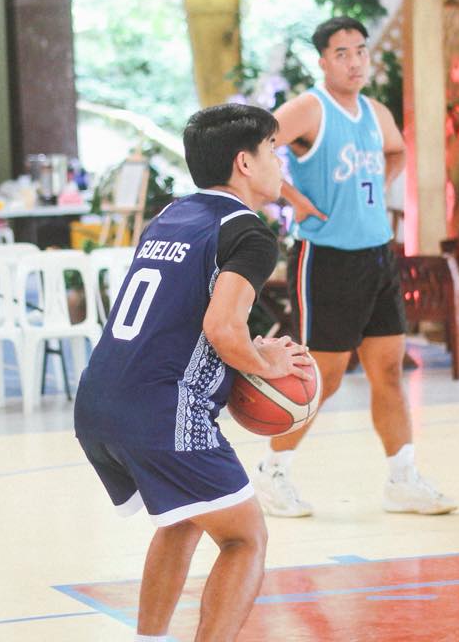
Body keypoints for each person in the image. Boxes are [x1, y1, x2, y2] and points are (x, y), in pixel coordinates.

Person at [74, 103, 313, 642]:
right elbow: (222, 327)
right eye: (273, 150)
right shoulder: (248, 232)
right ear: (244, 163)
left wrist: (241, 351)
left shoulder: (170, 215)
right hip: (161, 409)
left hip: (97, 400)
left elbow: (178, 317)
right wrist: (265, 363)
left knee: (182, 518)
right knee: (244, 538)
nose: (280, 163)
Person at [254, 16, 457, 518]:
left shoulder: (374, 112)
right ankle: (272, 472)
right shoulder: (309, 108)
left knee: (388, 369)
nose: (354, 61)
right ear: (323, 61)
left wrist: (378, 183)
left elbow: (397, 150)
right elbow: (254, 147)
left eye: (360, 51)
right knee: (324, 375)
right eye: (342, 53)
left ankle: (402, 479)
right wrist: (295, 200)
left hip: (377, 254)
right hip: (326, 258)